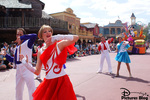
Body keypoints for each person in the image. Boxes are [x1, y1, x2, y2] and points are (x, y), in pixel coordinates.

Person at [19, 25, 78, 100]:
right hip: (48, 83)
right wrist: (25, 63)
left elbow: (75, 38)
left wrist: (58, 37)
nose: (48, 32)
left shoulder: (59, 45)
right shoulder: (40, 51)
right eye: (45, 31)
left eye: (49, 31)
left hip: (62, 81)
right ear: (41, 36)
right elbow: (37, 71)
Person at [1, 28, 36, 100]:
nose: (18, 36)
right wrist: (6, 55)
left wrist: (22, 37)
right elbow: (14, 61)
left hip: (27, 68)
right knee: (18, 90)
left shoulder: (28, 43)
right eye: (17, 34)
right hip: (19, 70)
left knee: (31, 89)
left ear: (24, 35)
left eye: (21, 34)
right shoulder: (17, 47)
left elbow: (34, 35)